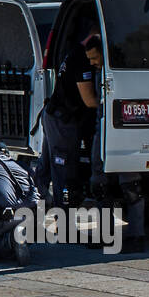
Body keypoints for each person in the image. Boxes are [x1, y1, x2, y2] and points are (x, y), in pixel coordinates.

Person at [80, 38, 145, 254]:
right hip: (103, 127)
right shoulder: (100, 70)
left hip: (123, 128)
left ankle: (137, 236)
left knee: (131, 186)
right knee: (99, 184)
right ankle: (106, 234)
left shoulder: (124, 69)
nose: (92, 63)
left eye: (95, 57)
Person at [41, 26, 99, 208]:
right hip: (62, 119)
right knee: (64, 172)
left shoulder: (74, 51)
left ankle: (36, 207)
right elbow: (89, 101)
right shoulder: (82, 57)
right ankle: (63, 216)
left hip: (55, 115)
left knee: (47, 167)